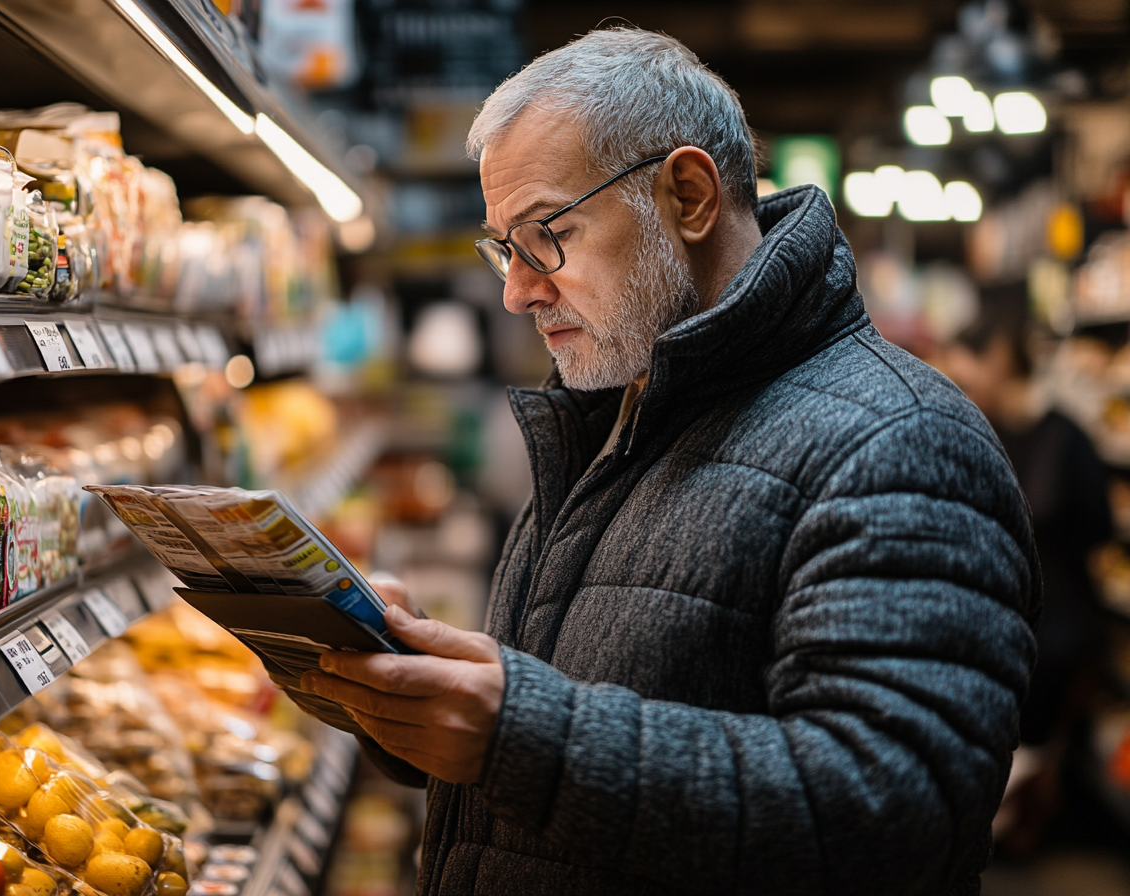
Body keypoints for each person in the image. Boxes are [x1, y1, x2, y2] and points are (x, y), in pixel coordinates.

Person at [299, 27, 1040, 895]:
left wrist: (522, 732)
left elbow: (896, 816)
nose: (516, 289)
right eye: (504, 246)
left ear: (687, 195)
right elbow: (565, 764)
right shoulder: (617, 415)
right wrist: (416, 704)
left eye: (546, 235)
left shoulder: (901, 442)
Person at [943, 319, 1112, 855]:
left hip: (1056, 633)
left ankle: (1024, 818)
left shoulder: (1064, 436)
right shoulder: (973, 430)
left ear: (998, 357)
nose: (958, 394)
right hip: (992, 622)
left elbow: (1099, 530)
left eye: (966, 380)